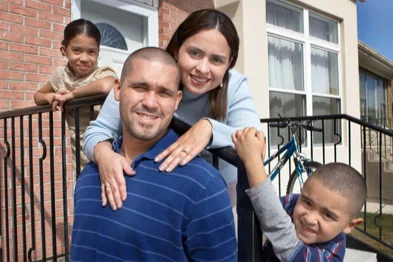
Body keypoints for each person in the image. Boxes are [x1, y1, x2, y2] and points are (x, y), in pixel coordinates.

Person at [83, 9, 262, 214]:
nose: (203, 68)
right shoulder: (152, 73)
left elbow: (255, 140)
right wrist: (104, 155)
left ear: (229, 63)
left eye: (217, 60)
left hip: (220, 194)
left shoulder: (235, 85)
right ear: (177, 49)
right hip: (157, 191)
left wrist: (208, 129)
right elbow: (98, 130)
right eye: (195, 53)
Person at [71, 47, 237, 261]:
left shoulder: (202, 186)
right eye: (140, 87)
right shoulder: (91, 173)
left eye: (163, 93)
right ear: (119, 89)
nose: (150, 103)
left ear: (177, 100)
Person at [232, 127, 366, 262]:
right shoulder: (294, 202)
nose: (309, 219)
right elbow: (263, 208)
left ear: (349, 225)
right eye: (307, 202)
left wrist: (252, 160)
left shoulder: (330, 256)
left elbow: (280, 232)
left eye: (327, 215)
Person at [34, 19, 117, 171]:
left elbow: (107, 86)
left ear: (98, 52)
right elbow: (38, 95)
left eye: (91, 52)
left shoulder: (102, 73)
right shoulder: (61, 75)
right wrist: (49, 97)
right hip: (78, 151)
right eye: (77, 50)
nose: (84, 58)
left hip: (106, 146)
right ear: (64, 51)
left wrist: (72, 95)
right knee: (82, 186)